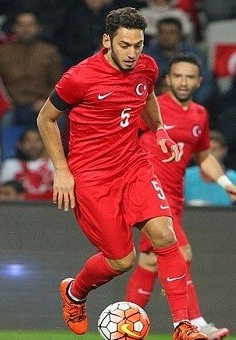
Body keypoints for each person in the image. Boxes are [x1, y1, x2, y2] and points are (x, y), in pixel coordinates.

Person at [36, 7, 208, 339]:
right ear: (107, 41)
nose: (132, 54)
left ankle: (183, 326)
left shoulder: (147, 66)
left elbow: (147, 96)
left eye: (138, 45)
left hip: (133, 166)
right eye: (125, 45)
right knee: (122, 261)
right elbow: (45, 119)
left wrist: (159, 130)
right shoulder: (80, 77)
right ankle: (75, 292)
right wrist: (61, 169)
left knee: (165, 235)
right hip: (92, 177)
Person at [124, 54, 236, 340]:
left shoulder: (199, 114)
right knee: (181, 253)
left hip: (174, 198)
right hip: (148, 192)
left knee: (150, 262)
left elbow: (204, 156)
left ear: (199, 81)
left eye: (189, 77)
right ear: (168, 79)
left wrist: (225, 182)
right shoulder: (152, 108)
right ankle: (194, 323)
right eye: (178, 76)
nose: (183, 82)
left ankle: (124, 325)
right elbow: (121, 138)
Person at [0, 10, 62, 161]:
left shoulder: (49, 52)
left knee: (61, 120)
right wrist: (5, 100)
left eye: (30, 25)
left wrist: (46, 101)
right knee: (3, 120)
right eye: (21, 25)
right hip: (12, 105)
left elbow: (59, 83)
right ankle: (7, 165)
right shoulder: (1, 53)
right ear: (14, 28)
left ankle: (55, 165)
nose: (26, 29)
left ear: (38, 27)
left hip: (42, 104)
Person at [144, 17, 214, 107]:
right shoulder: (147, 56)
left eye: (171, 33)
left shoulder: (195, 54)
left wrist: (193, 103)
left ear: (180, 35)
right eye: (162, 32)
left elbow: (206, 83)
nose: (166, 37)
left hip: (190, 102)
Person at [0, 128, 54, 201]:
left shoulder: (53, 164)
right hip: (18, 209)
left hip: (49, 208)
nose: (33, 145)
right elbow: (4, 194)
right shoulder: (10, 164)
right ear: (20, 144)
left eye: (37, 140)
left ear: (44, 144)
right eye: (28, 140)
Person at [185, 130, 236, 207]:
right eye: (206, 150)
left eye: (214, 150)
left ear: (223, 151)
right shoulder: (186, 177)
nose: (210, 155)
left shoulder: (233, 179)